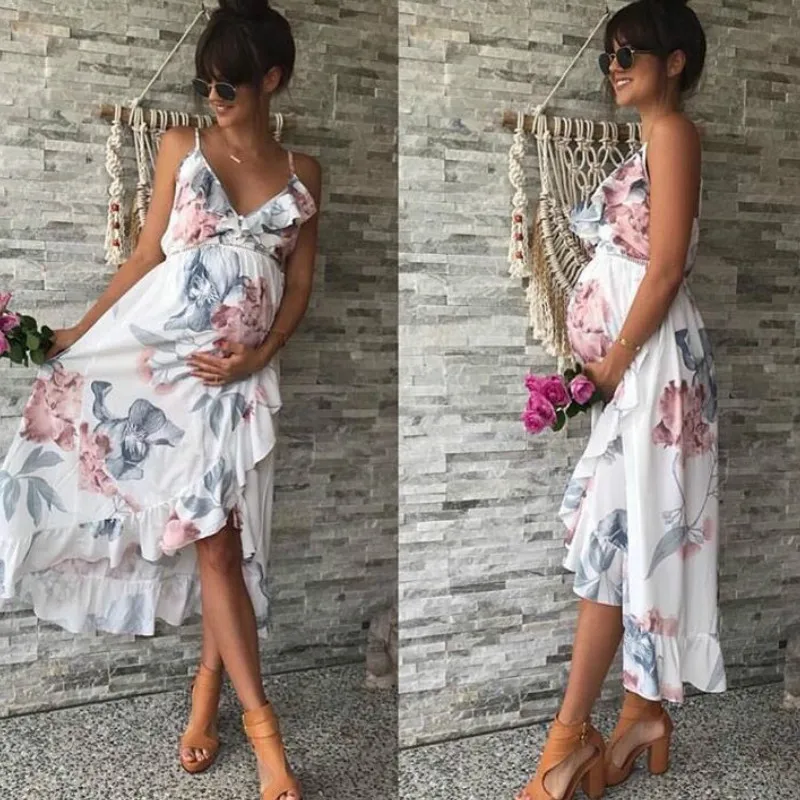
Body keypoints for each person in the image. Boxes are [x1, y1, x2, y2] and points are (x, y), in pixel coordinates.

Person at [0, 1, 321, 798]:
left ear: (271, 79)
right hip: (157, 366)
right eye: (205, 83)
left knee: (223, 542)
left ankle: (210, 695)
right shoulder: (183, 145)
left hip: (233, 381)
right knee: (213, 542)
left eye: (228, 86)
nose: (213, 97)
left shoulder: (304, 173)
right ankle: (261, 731)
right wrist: (78, 333)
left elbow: (298, 287)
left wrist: (262, 354)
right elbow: (147, 256)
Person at [517, 1, 724, 798]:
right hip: (639, 369)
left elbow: (664, 267)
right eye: (609, 54)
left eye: (628, 52)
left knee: (613, 536)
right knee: (620, 540)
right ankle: (640, 717)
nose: (614, 66)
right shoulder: (649, 142)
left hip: (653, 368)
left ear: (674, 61)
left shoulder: (673, 134)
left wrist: (613, 362)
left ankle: (570, 736)